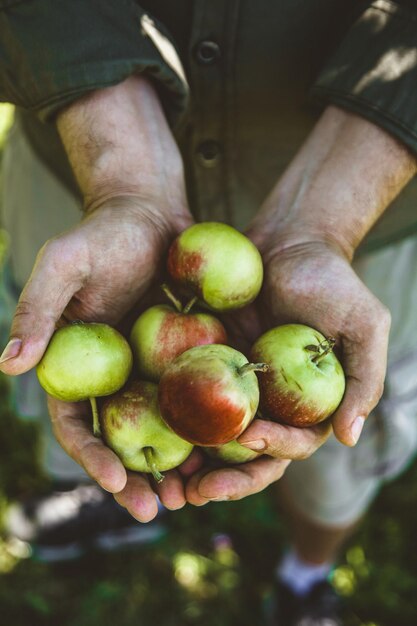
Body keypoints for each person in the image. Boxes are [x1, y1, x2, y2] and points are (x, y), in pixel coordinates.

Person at [1, 1, 417, 624]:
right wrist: (121, 179)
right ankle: (105, 497)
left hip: (367, 198)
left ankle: (308, 572)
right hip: (83, 155)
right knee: (92, 407)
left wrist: (326, 225)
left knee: (337, 455)